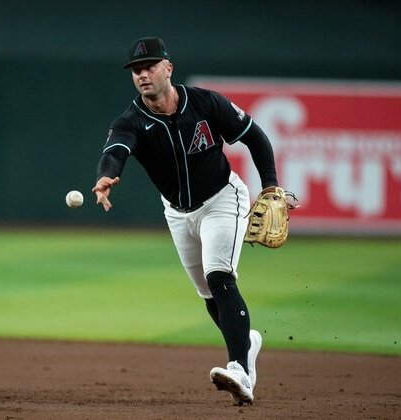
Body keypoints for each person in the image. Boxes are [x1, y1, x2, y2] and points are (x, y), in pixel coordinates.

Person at [91, 36, 280, 406]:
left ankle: (240, 368)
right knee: (208, 292)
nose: (143, 75)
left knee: (219, 275)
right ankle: (247, 343)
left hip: (224, 197)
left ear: (168, 68)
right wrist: (105, 176)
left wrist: (271, 185)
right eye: (136, 70)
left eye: (149, 67)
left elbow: (255, 137)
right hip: (177, 212)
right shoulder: (130, 121)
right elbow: (114, 152)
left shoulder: (206, 102)